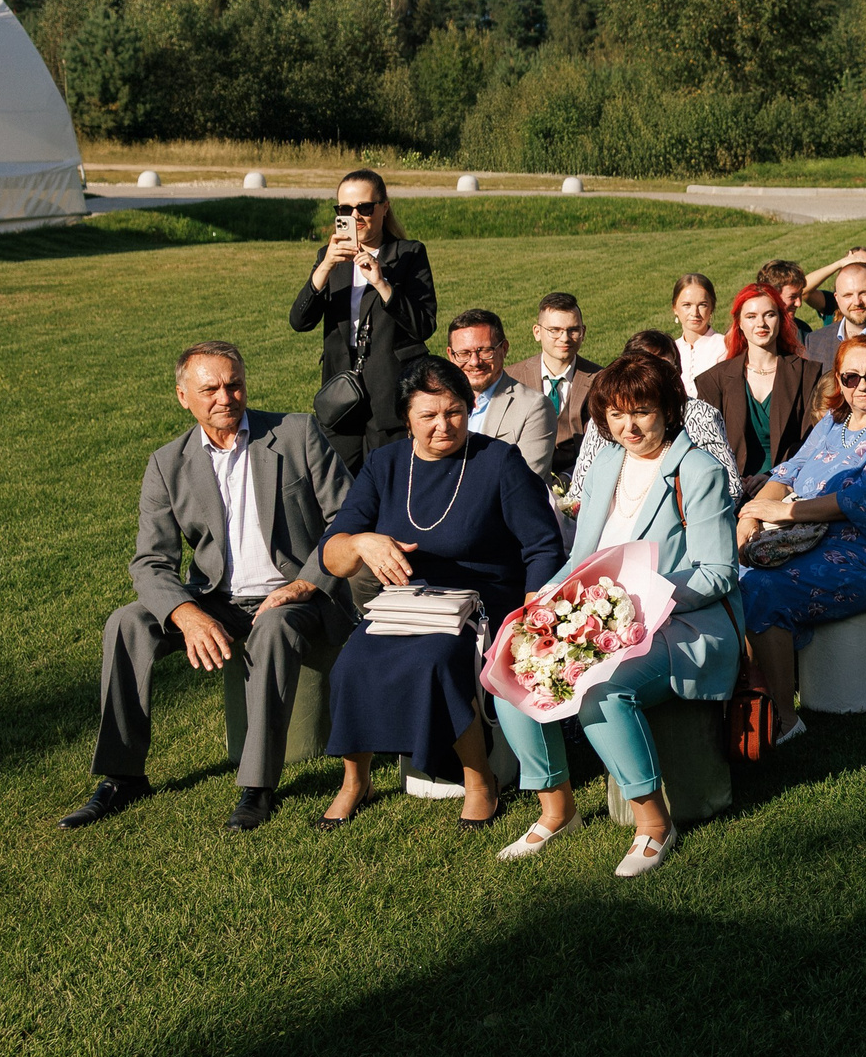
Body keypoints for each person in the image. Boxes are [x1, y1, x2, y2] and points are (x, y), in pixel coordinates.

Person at [63, 342, 353, 833]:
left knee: (273, 628)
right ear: (183, 397)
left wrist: (307, 582)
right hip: (217, 600)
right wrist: (186, 613)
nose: (225, 397)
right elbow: (151, 561)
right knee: (128, 623)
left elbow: (348, 516)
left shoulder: (297, 434)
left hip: (296, 596)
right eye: (210, 389)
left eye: (234, 384)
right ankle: (122, 775)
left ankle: (257, 787)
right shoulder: (167, 463)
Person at [493, 352, 740, 879]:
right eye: (617, 414)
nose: (629, 426)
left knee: (601, 690)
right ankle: (556, 811)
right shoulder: (606, 463)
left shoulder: (698, 470)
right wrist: (545, 601)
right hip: (599, 619)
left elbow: (718, 573)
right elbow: (581, 557)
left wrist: (642, 603)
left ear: (668, 410)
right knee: (510, 671)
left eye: (643, 412)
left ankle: (654, 825)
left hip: (680, 624)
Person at [316, 358, 562, 827]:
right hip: (407, 604)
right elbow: (333, 555)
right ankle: (355, 781)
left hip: (484, 602)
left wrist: (532, 613)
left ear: (469, 409)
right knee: (351, 663)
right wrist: (361, 542)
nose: (443, 425)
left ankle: (479, 779)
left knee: (435, 659)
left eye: (454, 412)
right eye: (428, 415)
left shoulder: (498, 461)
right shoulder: (385, 464)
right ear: (406, 418)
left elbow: (543, 545)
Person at [734, 335, 866, 744]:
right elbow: (788, 471)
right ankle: (758, 688)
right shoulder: (833, 422)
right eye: (851, 377)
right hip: (819, 540)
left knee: (762, 587)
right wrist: (751, 514)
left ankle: (785, 719)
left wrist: (783, 513)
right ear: (839, 379)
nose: (862, 385)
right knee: (734, 574)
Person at [289, 168, 438, 472]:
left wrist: (382, 284)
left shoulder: (408, 254)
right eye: (345, 209)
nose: (355, 216)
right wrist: (325, 267)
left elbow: (423, 325)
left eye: (365, 208)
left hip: (389, 388)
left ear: (384, 208)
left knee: (389, 479)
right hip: (341, 392)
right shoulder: (330, 257)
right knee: (338, 483)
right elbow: (300, 321)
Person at [566, 331, 742, 506]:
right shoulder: (606, 417)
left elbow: (730, 487)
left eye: (664, 368)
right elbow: (579, 491)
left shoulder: (700, 415)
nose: (654, 377)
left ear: (678, 370)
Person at [695, 281, 826, 491]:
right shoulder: (714, 380)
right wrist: (734, 481)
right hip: (730, 489)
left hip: (789, 485)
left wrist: (775, 477)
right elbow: (705, 446)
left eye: (769, 315)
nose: (761, 323)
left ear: (781, 319)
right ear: (739, 323)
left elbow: (813, 441)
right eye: (751, 316)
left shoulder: (807, 374)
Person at [447, 309, 553, 480]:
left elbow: (523, 481)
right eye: (464, 354)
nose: (475, 362)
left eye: (485, 351)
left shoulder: (534, 407)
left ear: (504, 349)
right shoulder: (437, 404)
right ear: (451, 355)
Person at [505, 292, 599, 481]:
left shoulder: (601, 379)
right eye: (554, 330)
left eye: (573, 330)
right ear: (537, 332)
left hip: (580, 478)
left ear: (583, 332)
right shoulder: (511, 378)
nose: (564, 338)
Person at [670, 273, 730, 390]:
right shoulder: (670, 350)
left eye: (702, 305)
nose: (695, 313)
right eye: (687, 305)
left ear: (712, 307)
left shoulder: (725, 346)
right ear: (675, 308)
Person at [755, 258, 816, 337]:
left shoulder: (803, 331)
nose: (799, 303)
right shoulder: (752, 333)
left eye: (800, 295)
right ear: (771, 295)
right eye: (792, 297)